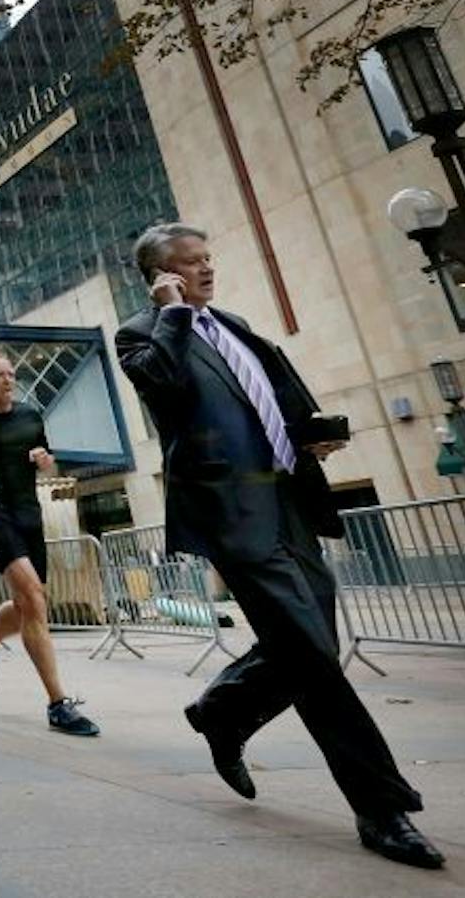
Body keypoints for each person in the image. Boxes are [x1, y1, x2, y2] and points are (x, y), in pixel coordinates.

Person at [116, 222, 441, 869]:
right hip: (235, 516)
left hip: (291, 502)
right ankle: (381, 809)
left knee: (310, 644)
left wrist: (310, 435)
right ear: (162, 276)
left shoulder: (234, 324)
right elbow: (166, 387)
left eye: (208, 258)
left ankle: (223, 710)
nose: (206, 269)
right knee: (315, 661)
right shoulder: (144, 334)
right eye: (190, 263)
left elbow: (272, 398)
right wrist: (172, 315)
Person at [0, 352, 100, 737]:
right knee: (34, 598)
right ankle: (59, 704)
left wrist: (44, 460)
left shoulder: (29, 416)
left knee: (30, 601)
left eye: (11, 374)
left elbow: (46, 458)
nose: (8, 381)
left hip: (29, 512)